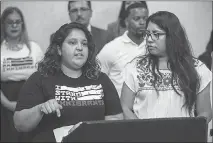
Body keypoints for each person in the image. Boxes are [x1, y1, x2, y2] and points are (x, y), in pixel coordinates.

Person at [14, 22, 123, 142]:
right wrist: (40, 109)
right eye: (72, 42)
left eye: (84, 43)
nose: (80, 48)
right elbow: (19, 124)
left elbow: (115, 119)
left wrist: (87, 131)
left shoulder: (101, 79)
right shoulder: (40, 78)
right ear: (59, 49)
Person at [120, 11, 212, 123]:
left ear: (172, 36)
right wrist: (143, 131)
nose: (149, 39)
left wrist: (189, 131)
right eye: (148, 34)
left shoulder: (197, 69)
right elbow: (125, 108)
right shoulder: (135, 68)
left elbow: (205, 112)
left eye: (156, 34)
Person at [0, 7, 44, 142]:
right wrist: (7, 104)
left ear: (22, 24)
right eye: (9, 22)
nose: (14, 25)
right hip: (4, 103)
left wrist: (33, 103)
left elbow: (44, 78)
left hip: (32, 103)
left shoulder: (34, 48)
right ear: (3, 25)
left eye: (17, 22)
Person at [97, 3, 149, 97]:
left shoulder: (153, 46)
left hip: (148, 108)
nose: (142, 22)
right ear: (126, 22)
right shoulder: (112, 48)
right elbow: (96, 78)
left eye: (145, 18)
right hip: (119, 108)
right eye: (137, 19)